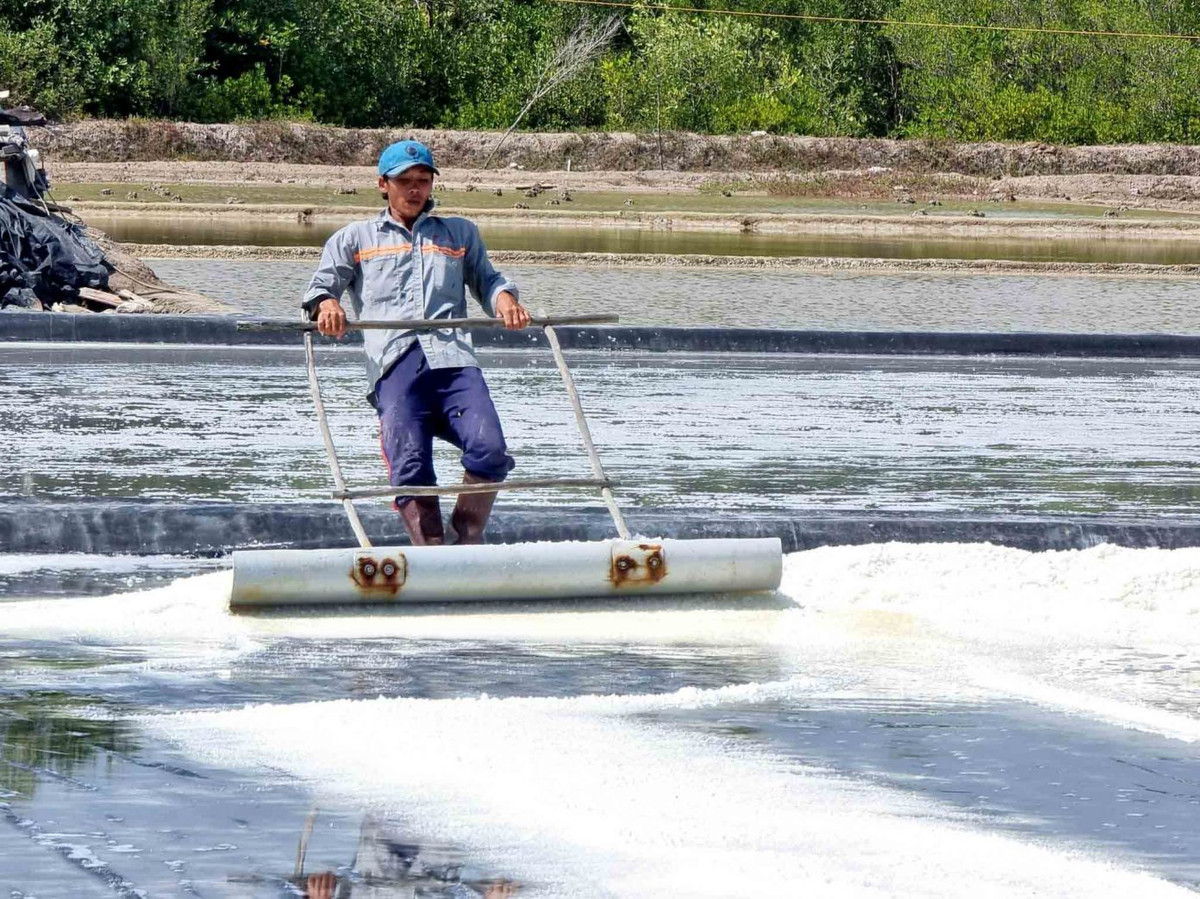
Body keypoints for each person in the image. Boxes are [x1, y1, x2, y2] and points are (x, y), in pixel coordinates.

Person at [302, 139, 531, 546]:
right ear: (382, 185)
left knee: (490, 449)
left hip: (454, 360)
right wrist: (328, 305)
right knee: (410, 461)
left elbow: (488, 280)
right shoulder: (355, 239)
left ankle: (467, 537)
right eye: (404, 181)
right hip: (395, 363)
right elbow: (321, 286)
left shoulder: (459, 233)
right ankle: (431, 550)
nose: (414, 189)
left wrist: (506, 299)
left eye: (422, 181)